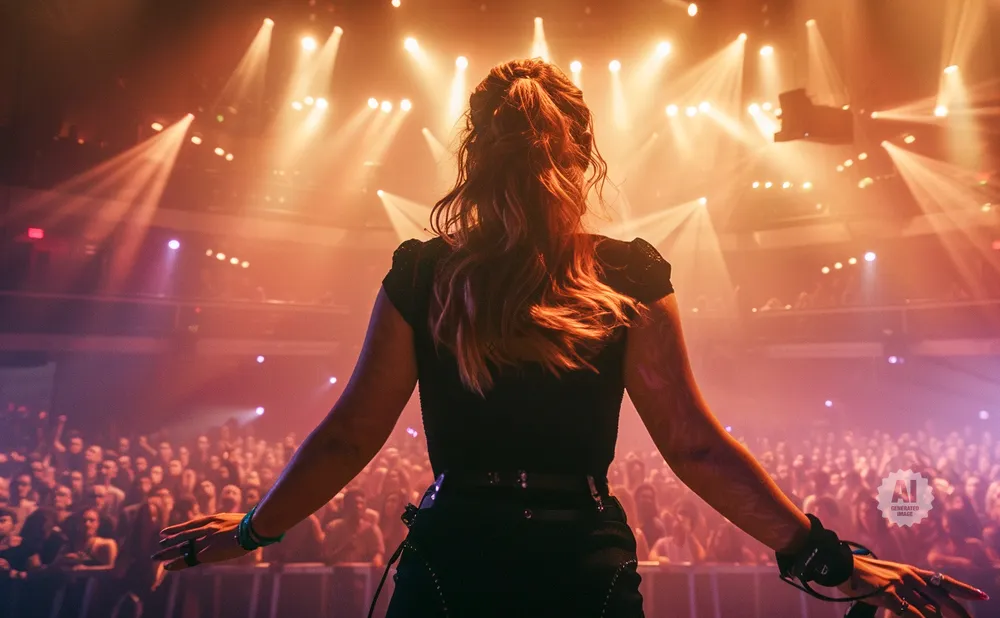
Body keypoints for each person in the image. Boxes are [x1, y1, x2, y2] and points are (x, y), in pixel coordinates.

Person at [155, 58, 987, 618]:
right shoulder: (626, 274)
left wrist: (253, 531)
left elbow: (349, 436)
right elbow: (693, 449)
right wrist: (829, 560)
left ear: (473, 152)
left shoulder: (424, 274)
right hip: (580, 562)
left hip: (455, 558)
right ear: (583, 151)